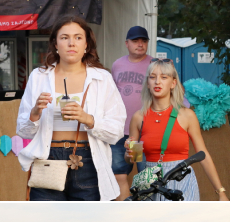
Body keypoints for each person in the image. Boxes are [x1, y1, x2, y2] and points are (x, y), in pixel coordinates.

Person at [16, 16, 126, 201]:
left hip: (87, 159)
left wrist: (88, 119)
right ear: (55, 44)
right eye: (64, 37)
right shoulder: (39, 76)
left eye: (78, 37)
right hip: (47, 158)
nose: (71, 43)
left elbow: (116, 131)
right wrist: (34, 114)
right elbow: (23, 131)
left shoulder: (102, 78)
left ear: (86, 45)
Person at [128, 58, 228, 200]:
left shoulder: (187, 115)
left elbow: (203, 154)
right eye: (152, 77)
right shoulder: (138, 117)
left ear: (173, 83)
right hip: (151, 185)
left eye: (164, 77)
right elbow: (133, 158)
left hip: (182, 181)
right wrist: (129, 153)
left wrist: (221, 191)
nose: (157, 82)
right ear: (147, 83)